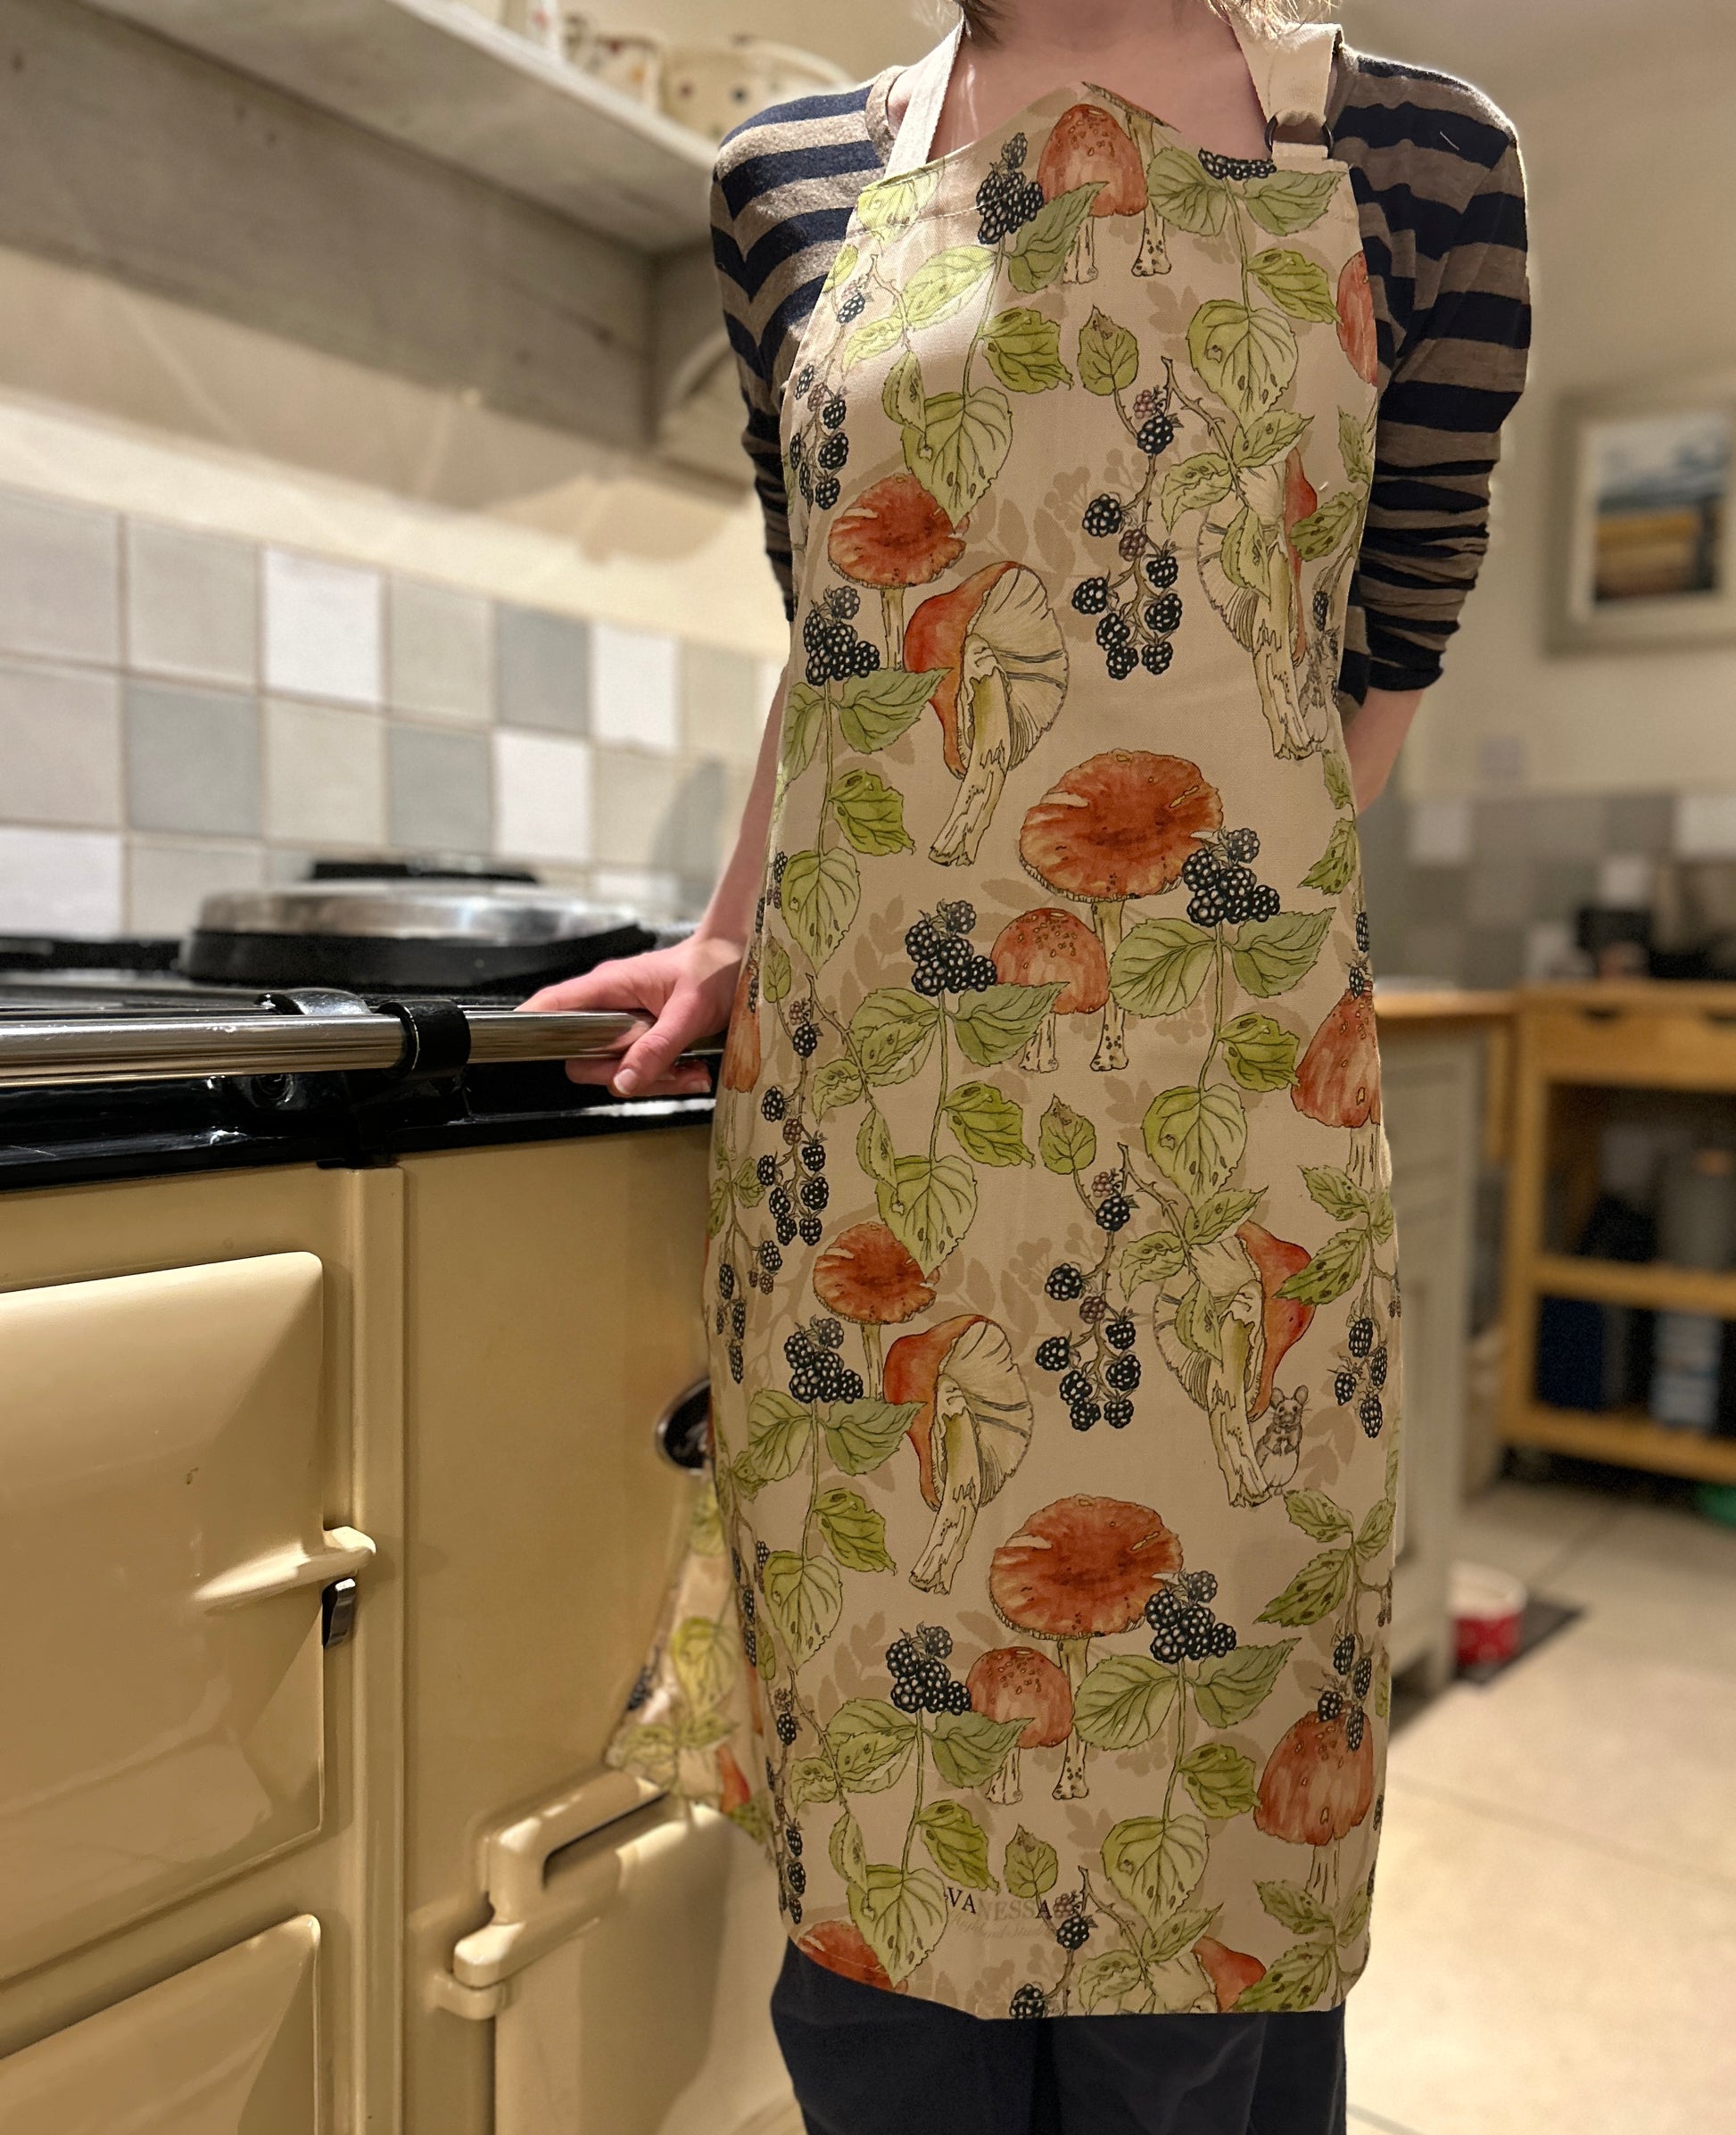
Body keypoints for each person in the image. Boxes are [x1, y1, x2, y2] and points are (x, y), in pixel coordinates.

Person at [527, 4, 1528, 2128]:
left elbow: (1393, 631)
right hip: (875, 1166)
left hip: (1219, 1186)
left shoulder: (1426, 164)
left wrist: (1191, 987)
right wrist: (728, 930)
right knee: (882, 1934)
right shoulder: (784, 187)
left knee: (1198, 1949)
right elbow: (845, 633)